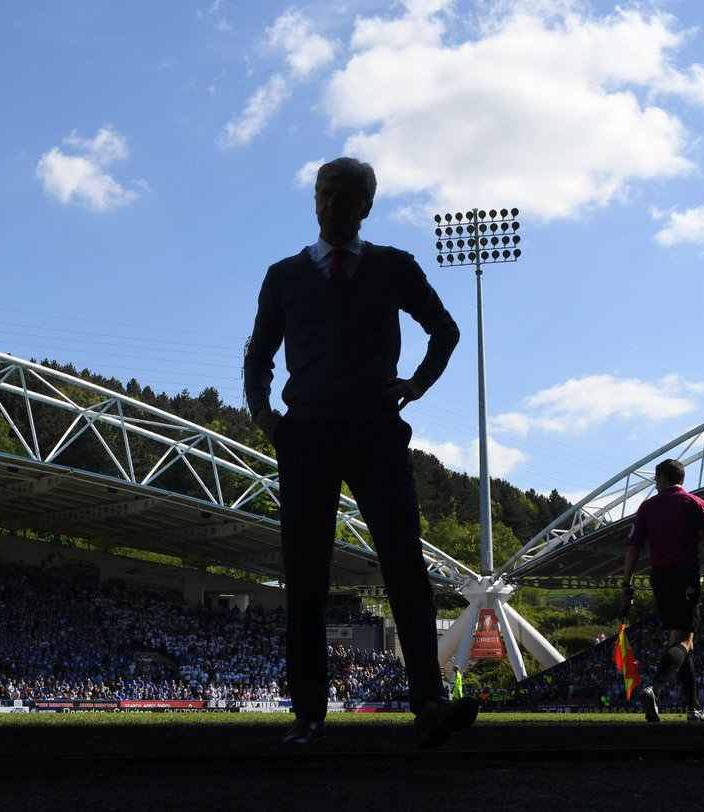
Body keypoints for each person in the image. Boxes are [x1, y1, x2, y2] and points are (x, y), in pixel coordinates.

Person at [243, 156, 476, 748]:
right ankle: (308, 715)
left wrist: (416, 385)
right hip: (307, 438)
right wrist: (268, 419)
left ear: (366, 206)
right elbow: (257, 356)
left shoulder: (394, 267)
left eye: (346, 195)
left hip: (376, 432)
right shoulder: (283, 276)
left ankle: (428, 702)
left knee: (405, 565)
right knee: (306, 576)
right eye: (325, 193)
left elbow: (444, 330)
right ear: (314, 200)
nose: (333, 203)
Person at [619, 458, 704, 723]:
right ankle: (655, 689)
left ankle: (693, 707)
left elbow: (633, 547)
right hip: (685, 575)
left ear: (661, 479)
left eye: (655, 479)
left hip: (659, 577)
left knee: (684, 643)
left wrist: (626, 584)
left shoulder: (647, 507)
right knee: (682, 642)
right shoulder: (697, 505)